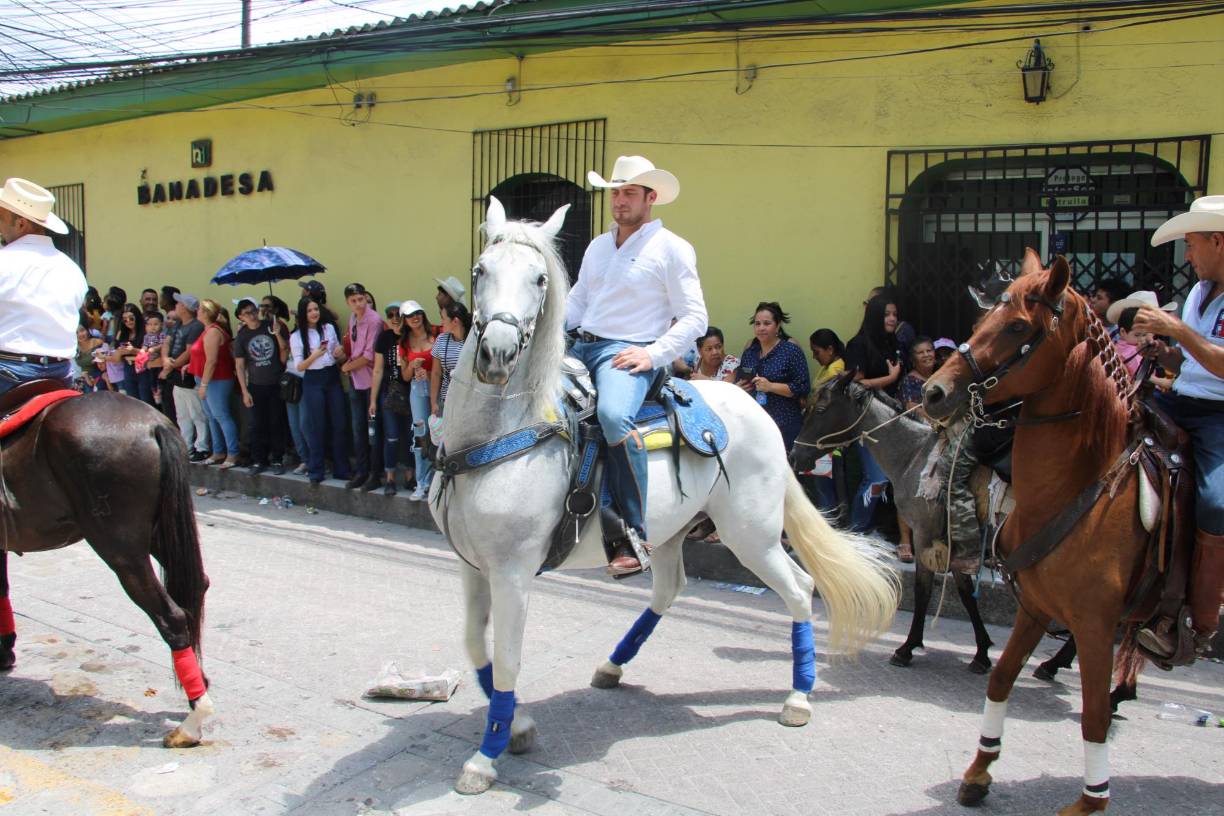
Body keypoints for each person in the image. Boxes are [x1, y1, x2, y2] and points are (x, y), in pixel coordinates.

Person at [566, 155, 707, 575]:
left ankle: (631, 530)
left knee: (612, 417)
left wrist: (653, 354)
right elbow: (578, 302)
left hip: (628, 353)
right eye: (616, 192)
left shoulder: (672, 248)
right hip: (581, 346)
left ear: (652, 197)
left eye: (629, 192)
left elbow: (695, 317)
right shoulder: (597, 246)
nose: (620, 200)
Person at [1134, 196, 1224, 659]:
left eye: (1191, 245)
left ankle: (1202, 619)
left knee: (1215, 503)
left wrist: (1178, 330)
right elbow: (1191, 362)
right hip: (1179, 399)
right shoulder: (1197, 293)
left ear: (1217, 241)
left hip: (1218, 417)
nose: (1187, 255)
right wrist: (1165, 352)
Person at [0, 178, 87, 393]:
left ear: (20, 223)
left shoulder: (4, 261)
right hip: (61, 374)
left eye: (0, 218)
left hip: (11, 372)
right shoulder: (72, 269)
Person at [844, 292, 904, 533]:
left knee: (893, 480)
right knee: (877, 479)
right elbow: (853, 385)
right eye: (887, 314)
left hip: (894, 420)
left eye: (894, 314)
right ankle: (857, 532)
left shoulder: (894, 344)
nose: (892, 319)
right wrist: (889, 378)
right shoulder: (858, 345)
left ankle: (875, 529)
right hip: (867, 420)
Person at [290, 297, 351, 485]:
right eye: (309, 310)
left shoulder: (328, 328)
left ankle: (342, 468)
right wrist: (315, 354)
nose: (314, 313)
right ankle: (316, 469)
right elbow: (299, 366)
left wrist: (338, 352)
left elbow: (335, 353)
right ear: (303, 314)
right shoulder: (297, 336)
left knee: (339, 423)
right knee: (317, 426)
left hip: (332, 376)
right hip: (313, 379)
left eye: (315, 309)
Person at [736, 302, 809, 452]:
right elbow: (740, 378)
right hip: (754, 424)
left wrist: (771, 387)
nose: (761, 328)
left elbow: (802, 387)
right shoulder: (750, 352)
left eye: (767, 323)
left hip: (784, 423)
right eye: (757, 324)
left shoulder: (791, 351)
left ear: (778, 325)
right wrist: (740, 388)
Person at [233, 297, 288, 476]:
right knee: (257, 424)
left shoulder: (269, 326)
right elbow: (240, 366)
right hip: (255, 385)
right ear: (241, 317)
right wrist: (244, 390)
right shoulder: (242, 336)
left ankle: (278, 459)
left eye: (254, 310)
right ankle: (259, 460)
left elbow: (284, 350)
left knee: (276, 422)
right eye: (247, 313)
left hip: (275, 382)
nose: (252, 315)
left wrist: (278, 333)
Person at [341, 283, 384, 491]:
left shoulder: (374, 320)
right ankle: (362, 471)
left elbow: (368, 354)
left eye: (361, 299)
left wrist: (347, 366)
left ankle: (375, 474)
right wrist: (349, 364)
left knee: (372, 430)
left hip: (371, 382)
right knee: (358, 430)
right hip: (356, 380)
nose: (359, 304)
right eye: (354, 301)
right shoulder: (352, 318)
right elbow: (355, 348)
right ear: (348, 302)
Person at [369, 302, 412, 496]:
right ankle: (390, 479)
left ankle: (411, 478)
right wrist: (373, 400)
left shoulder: (411, 336)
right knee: (392, 436)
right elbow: (377, 370)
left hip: (411, 392)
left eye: (398, 314)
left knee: (411, 436)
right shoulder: (384, 338)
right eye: (391, 315)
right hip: (389, 393)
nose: (395, 318)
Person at [190, 299, 239, 468]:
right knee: (212, 416)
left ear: (205, 312)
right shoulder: (207, 330)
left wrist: (203, 384)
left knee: (221, 415)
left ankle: (232, 453)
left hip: (216, 379)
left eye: (200, 309)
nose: (197, 311)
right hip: (206, 378)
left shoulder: (213, 332)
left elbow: (211, 361)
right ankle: (218, 451)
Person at [162, 293, 209, 462]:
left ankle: (202, 446)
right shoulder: (178, 324)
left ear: (186, 307)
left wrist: (171, 365)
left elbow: (189, 351)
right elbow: (167, 343)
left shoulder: (196, 326)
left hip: (188, 375)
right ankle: (186, 445)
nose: (176, 305)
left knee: (197, 413)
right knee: (182, 414)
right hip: (176, 375)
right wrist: (166, 360)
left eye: (179, 303)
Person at [401, 301, 436, 502]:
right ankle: (422, 482)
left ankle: (438, 480)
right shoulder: (405, 343)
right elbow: (405, 376)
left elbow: (443, 367)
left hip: (436, 387)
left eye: (417, 313)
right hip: (417, 389)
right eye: (410, 315)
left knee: (438, 432)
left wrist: (429, 373)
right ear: (405, 320)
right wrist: (412, 366)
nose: (415, 317)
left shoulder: (437, 334)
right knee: (420, 434)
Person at [1106, 291, 1178, 379]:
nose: (1143, 338)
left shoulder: (1119, 345)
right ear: (1123, 332)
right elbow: (1139, 374)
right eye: (1137, 335)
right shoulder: (1131, 350)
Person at [430, 300, 471, 435]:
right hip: (446, 400)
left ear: (455, 321)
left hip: (469, 401)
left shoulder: (474, 341)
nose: (441, 322)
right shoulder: (441, 340)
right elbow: (436, 373)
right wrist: (434, 402)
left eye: (443, 318)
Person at [110, 304, 145, 400]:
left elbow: (149, 352)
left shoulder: (145, 330)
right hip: (128, 369)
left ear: (137, 317)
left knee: (146, 400)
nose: (128, 321)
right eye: (125, 319)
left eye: (131, 318)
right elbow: (116, 359)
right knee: (133, 400)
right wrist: (119, 352)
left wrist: (133, 350)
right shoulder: (122, 333)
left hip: (143, 369)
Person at [136, 310, 165, 406]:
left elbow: (163, 344)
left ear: (161, 325)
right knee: (152, 379)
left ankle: (160, 392)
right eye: (150, 324)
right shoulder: (147, 337)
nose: (153, 327)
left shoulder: (161, 335)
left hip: (159, 361)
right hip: (150, 362)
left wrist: (154, 349)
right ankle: (155, 393)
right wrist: (142, 351)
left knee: (159, 379)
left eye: (156, 324)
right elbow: (145, 346)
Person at [1090, 277, 1131, 341]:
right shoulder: (1085, 325)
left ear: (1114, 304)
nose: (1093, 300)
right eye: (1094, 296)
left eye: (1099, 298)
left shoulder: (1121, 335)